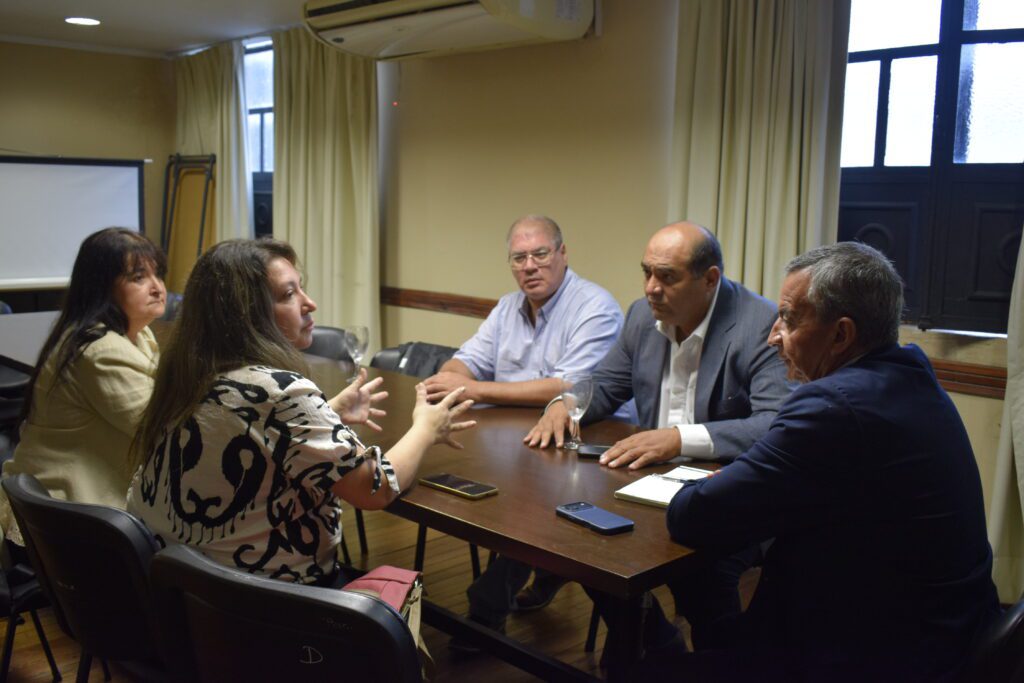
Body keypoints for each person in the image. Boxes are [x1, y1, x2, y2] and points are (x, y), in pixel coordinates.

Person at [658, 242, 999, 681]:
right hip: (949, 631)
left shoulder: (833, 404)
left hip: (879, 656)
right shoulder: (911, 374)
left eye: (789, 319)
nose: (772, 335)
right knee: (712, 579)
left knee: (646, 670)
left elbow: (693, 515)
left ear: (841, 335)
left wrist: (711, 487)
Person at [127, 239, 475, 587]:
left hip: (181, 590)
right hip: (264, 600)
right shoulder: (278, 391)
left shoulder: (186, 374)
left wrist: (327, 411)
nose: (310, 303)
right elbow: (375, 488)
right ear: (247, 314)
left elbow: (245, 432)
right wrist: (426, 428)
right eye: (288, 294)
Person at [525, 221, 791, 647]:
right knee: (579, 541)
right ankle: (650, 640)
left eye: (666, 276)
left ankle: (718, 661)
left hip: (730, 491)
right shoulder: (640, 317)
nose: (651, 287)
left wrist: (678, 438)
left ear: (710, 280)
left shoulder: (759, 324)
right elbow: (607, 385)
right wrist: (564, 405)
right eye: (646, 272)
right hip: (647, 483)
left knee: (704, 577)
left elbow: (774, 424)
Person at [425, 215, 631, 639]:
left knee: (526, 509)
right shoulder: (507, 308)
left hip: (586, 447)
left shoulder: (596, 306)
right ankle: (548, 568)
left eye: (540, 254)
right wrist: (452, 377)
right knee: (476, 493)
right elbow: (466, 359)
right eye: (519, 257)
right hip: (518, 443)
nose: (529, 265)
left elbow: (571, 385)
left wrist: (475, 386)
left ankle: (487, 608)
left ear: (562, 254)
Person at [0, 227, 167, 547]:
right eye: (138, 277)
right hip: (71, 515)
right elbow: (160, 430)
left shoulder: (134, 334)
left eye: (156, 274)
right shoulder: (101, 349)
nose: (158, 287)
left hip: (81, 502)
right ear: (102, 287)